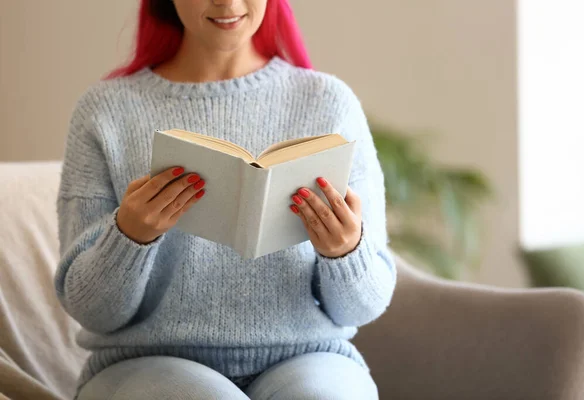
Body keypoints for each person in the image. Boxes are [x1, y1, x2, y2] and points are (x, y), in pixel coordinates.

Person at [54, 0, 397, 398]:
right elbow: (91, 310)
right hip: (143, 363)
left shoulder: (329, 102)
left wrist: (345, 251)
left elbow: (364, 306)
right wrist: (130, 236)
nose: (228, 3)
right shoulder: (106, 111)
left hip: (310, 357)